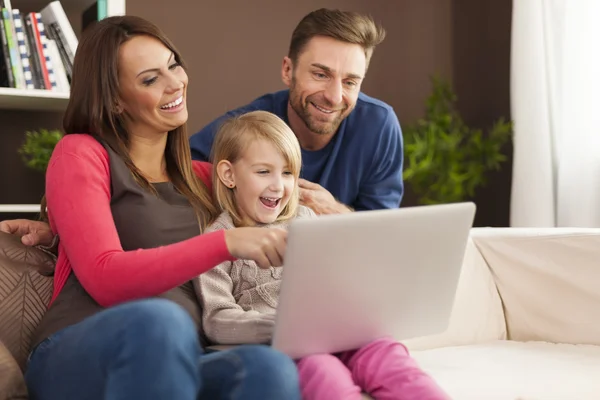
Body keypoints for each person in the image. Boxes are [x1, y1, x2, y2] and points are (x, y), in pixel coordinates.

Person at [17, 16, 301, 400]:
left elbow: (288, 197)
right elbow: (103, 276)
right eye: (150, 79)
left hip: (183, 355)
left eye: (173, 64)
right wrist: (226, 243)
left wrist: (330, 208)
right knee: (161, 322)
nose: (175, 83)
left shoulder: (206, 177)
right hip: (79, 348)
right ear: (114, 99)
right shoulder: (82, 153)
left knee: (269, 367)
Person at [196, 110, 450, 400]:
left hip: (342, 330)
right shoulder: (217, 241)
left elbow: (339, 281)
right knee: (322, 370)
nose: (278, 185)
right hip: (292, 344)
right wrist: (280, 327)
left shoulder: (305, 219)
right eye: (263, 171)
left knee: (387, 354)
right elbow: (216, 321)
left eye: (288, 172)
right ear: (229, 174)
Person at [189, 8, 404, 215]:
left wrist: (337, 213)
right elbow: (176, 171)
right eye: (320, 75)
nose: (334, 97)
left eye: (350, 82)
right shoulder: (247, 125)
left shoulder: (379, 126)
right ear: (287, 70)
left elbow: (381, 231)